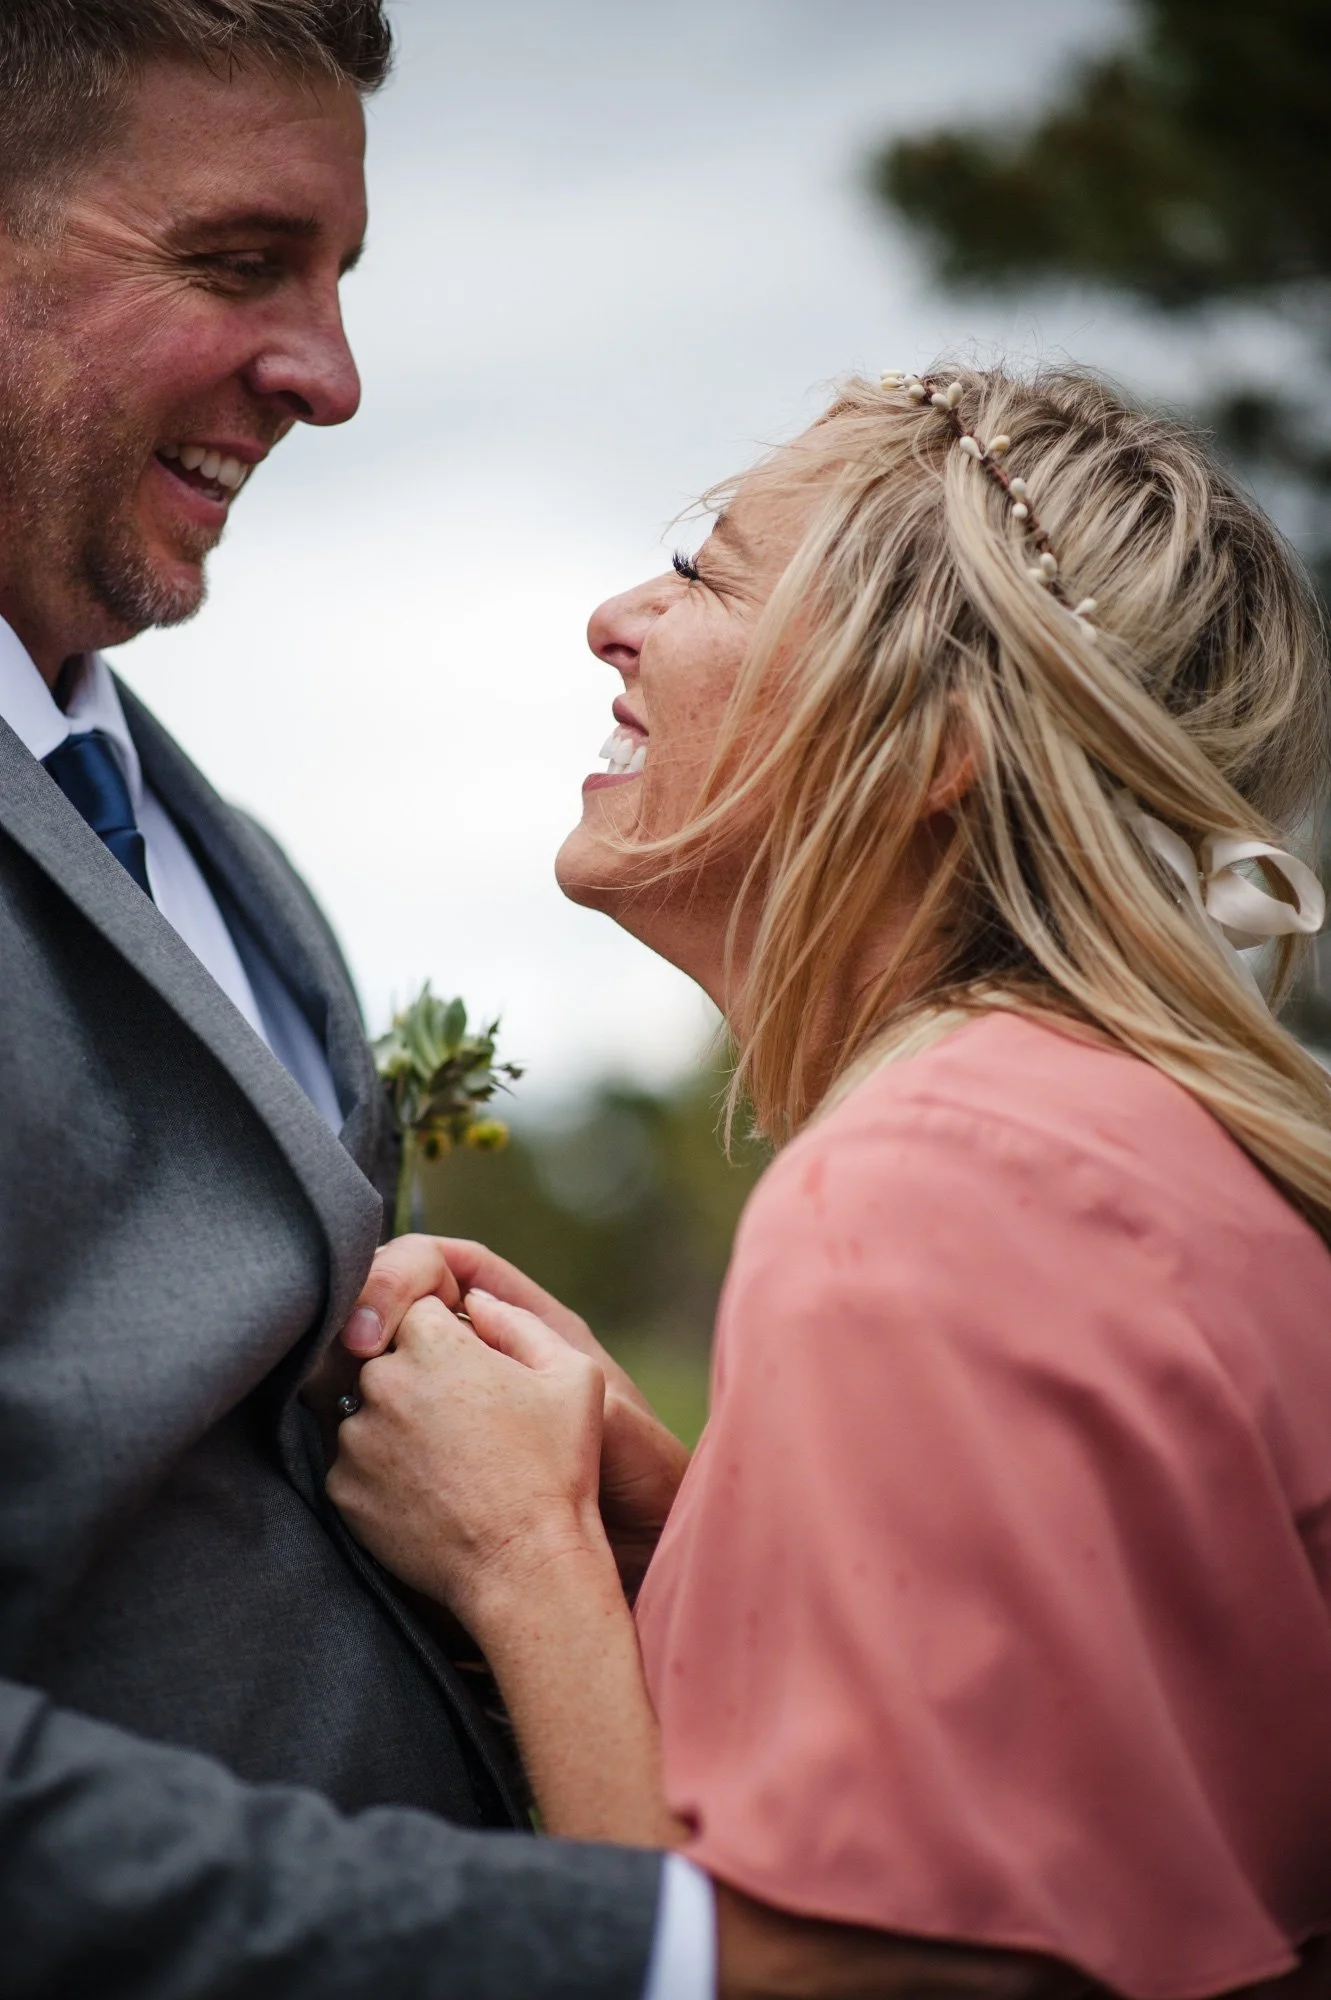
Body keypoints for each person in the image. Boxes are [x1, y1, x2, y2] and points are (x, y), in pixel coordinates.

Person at [329, 365, 1331, 1998]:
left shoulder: (937, 1184)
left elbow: (851, 1976)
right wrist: (682, 1527)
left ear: (930, 742)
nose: (612, 616)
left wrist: (527, 1560)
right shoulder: (1120, 1138)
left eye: (709, 571)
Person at [0, 4, 723, 1995]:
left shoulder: (244, 875)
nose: (328, 377)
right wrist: (648, 1948)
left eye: (340, 279)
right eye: (238, 263)